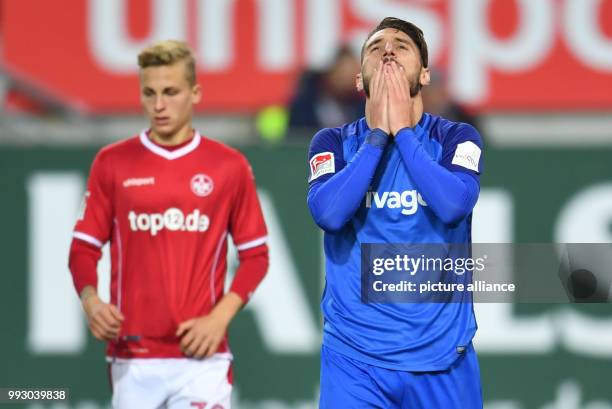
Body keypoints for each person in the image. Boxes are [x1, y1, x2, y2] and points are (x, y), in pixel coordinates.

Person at [68, 40, 269, 409]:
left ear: (195, 93)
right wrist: (91, 300)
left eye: (171, 92)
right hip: (133, 357)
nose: (159, 105)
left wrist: (218, 318)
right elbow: (83, 247)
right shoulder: (113, 163)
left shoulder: (228, 166)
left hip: (202, 361)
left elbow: (256, 256)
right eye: (150, 93)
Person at [307, 17, 483, 408]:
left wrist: (403, 132)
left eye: (401, 46)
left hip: (441, 360)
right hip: (354, 362)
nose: (387, 50)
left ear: (424, 75)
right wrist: (377, 137)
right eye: (375, 47)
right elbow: (329, 215)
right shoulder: (333, 142)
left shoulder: (456, 138)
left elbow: (453, 205)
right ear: (359, 80)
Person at [288, 45, 365, 132]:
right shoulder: (305, 106)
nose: (348, 79)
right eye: (343, 72)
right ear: (330, 72)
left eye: (353, 74)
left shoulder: (361, 108)